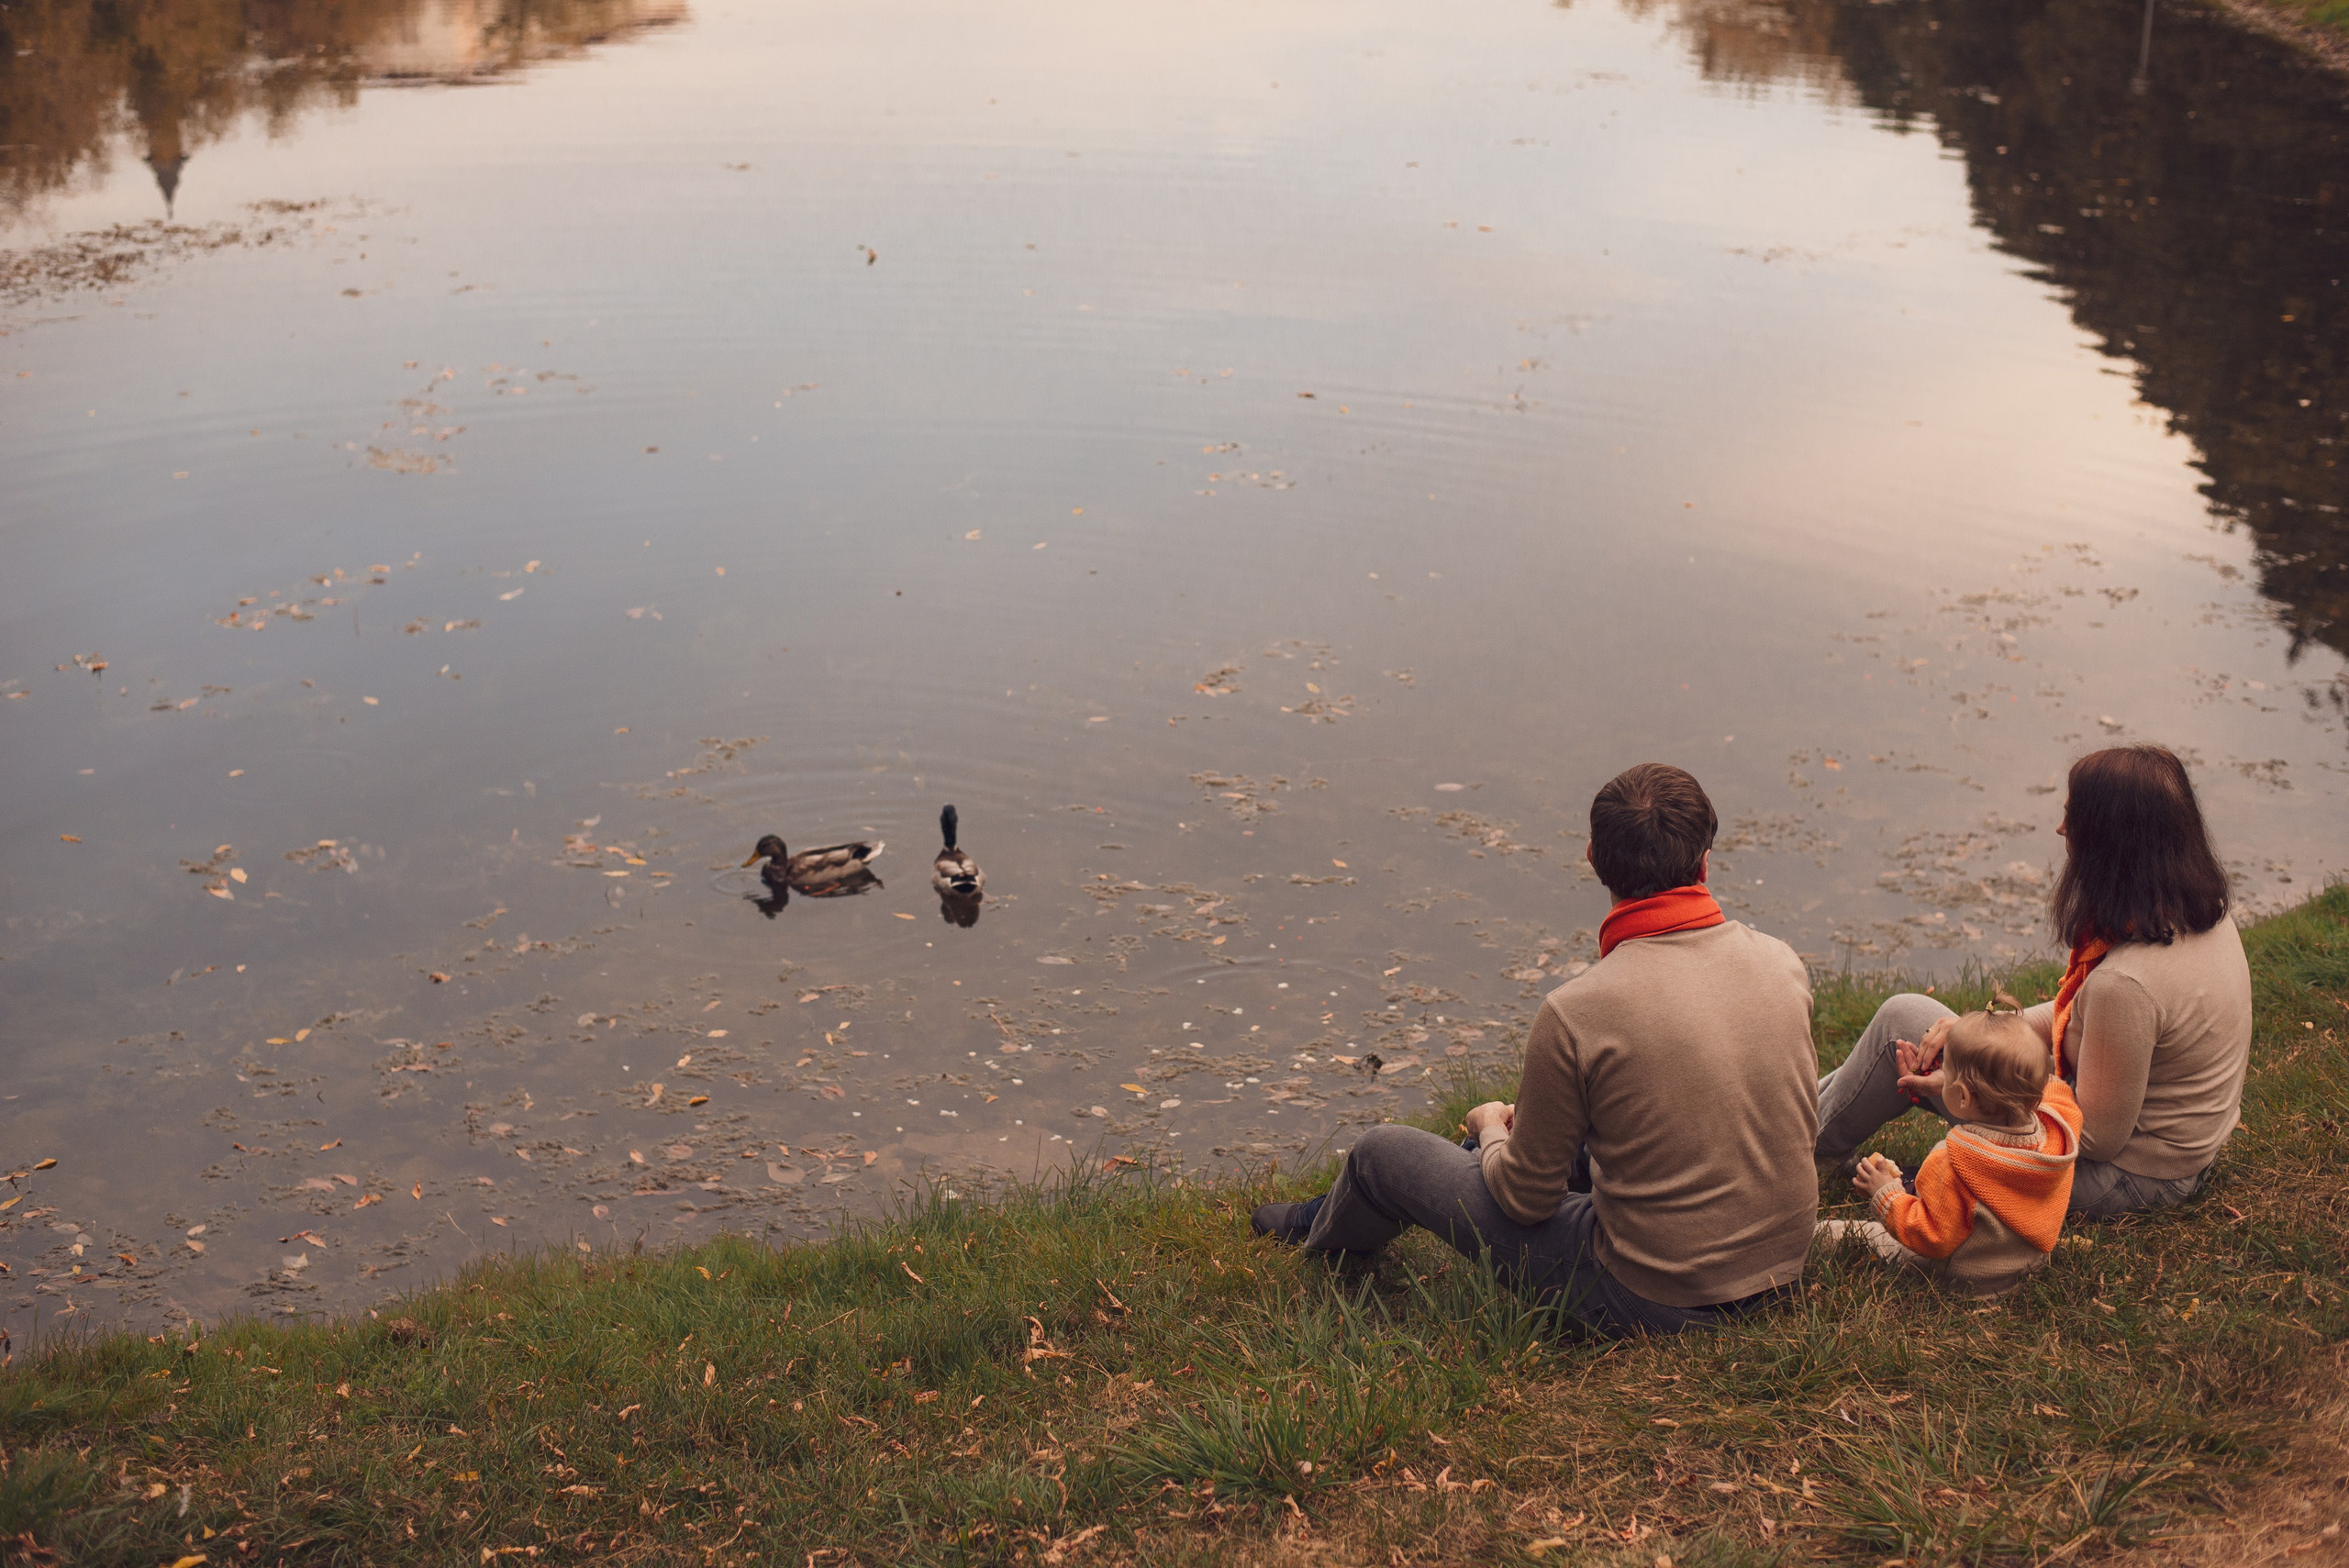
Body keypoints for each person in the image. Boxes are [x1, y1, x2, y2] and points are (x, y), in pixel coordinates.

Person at [1251, 762, 1820, 1337]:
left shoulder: (1578, 1010)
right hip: (1780, 1273)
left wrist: (1492, 1127)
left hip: (1652, 1297)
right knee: (1552, 1139)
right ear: (1704, 861)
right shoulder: (1782, 961)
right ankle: (1359, 1198)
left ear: (1594, 860)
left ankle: (1318, 1228)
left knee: (1383, 1152)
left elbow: (1526, 1202)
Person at [1816, 744, 2252, 1219]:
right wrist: (1983, 1028)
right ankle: (1797, 1133)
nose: (2061, 829)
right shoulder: (2194, 914)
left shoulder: (2127, 985)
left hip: (2130, 1178)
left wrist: (1972, 1083)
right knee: (1904, 1017)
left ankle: (1792, 1155)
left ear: (2110, 842)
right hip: (2148, 1148)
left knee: (1935, 1066)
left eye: (2074, 818)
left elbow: (2095, 1137)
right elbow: (2080, 1016)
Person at [1818, 996, 2082, 1296]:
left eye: (1947, 1075)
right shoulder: (2060, 1128)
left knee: (1832, 1234)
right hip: (2025, 1262)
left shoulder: (1954, 1160)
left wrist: (1885, 1193)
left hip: (1963, 1271)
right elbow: (2053, 1088)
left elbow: (1932, 1236)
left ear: (1964, 1098)